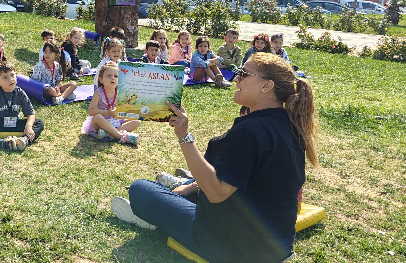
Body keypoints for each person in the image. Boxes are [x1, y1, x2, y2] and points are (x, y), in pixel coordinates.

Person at [111, 53, 317, 262]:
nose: (236, 78)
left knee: (141, 189)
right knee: (197, 182)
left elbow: (216, 193)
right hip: (277, 245)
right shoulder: (291, 124)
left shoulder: (250, 132)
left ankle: (158, 209)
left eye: (243, 74)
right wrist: (192, 188)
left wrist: (184, 135)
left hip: (227, 247)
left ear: (267, 86)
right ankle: (187, 184)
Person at [0, 61, 44, 151]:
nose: (10, 79)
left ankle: (24, 140)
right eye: (5, 78)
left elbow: (31, 113)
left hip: (14, 123)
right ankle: (1, 143)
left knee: (39, 123)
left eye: (12, 75)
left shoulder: (20, 93)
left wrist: (28, 127)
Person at [82, 62, 141, 145]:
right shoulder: (98, 93)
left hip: (116, 121)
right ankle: (121, 137)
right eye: (108, 76)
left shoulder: (120, 92)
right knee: (97, 117)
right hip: (101, 122)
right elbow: (91, 111)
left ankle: (109, 134)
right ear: (101, 79)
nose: (112, 78)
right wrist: (108, 112)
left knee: (137, 120)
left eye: (115, 76)